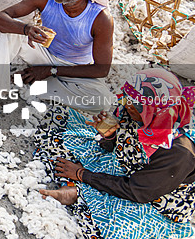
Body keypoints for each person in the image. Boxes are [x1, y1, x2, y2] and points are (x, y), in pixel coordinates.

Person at [34, 68, 195, 239]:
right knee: (61, 125)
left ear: (154, 111)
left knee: (121, 229)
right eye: (126, 98)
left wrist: (82, 175)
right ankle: (85, 192)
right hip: (128, 166)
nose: (125, 105)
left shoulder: (178, 153)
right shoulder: (135, 109)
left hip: (155, 195)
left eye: (133, 104)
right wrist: (108, 134)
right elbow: (120, 144)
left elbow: (137, 191)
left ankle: (79, 194)